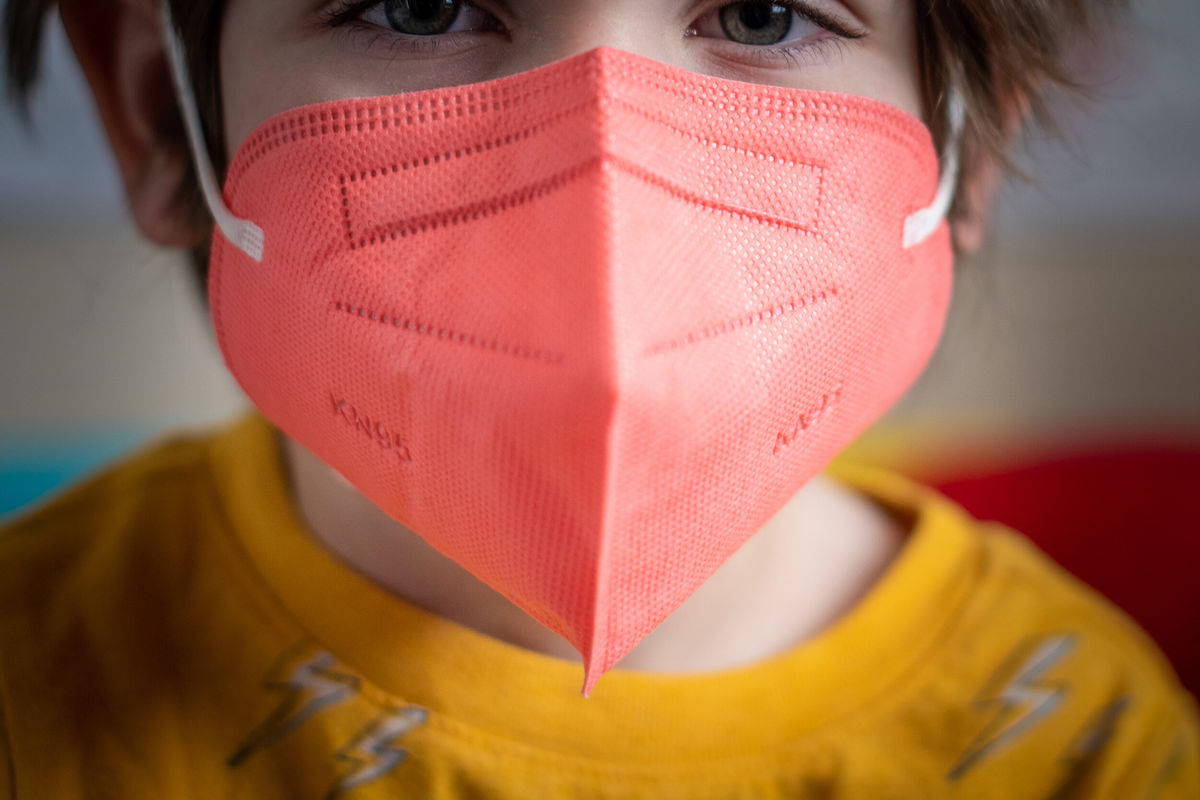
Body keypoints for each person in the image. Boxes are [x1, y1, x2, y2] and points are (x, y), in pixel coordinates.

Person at [1, 0, 1197, 797]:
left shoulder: (1079, 739)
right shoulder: (33, 670)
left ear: (963, 151)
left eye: (761, 12)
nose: (602, 175)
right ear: (163, 116)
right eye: (419, 3)